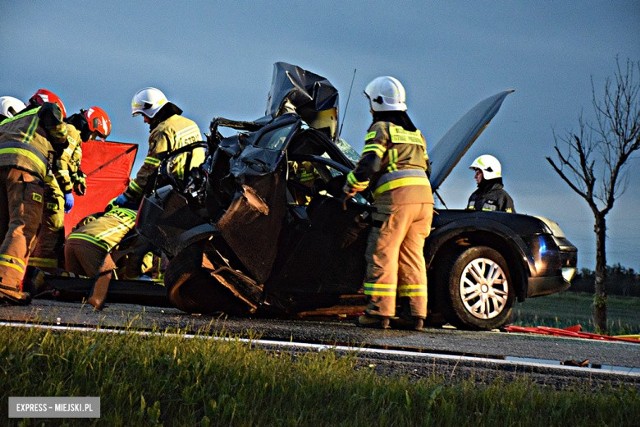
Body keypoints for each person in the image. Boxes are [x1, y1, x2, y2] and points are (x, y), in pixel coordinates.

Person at [343, 76, 433, 331]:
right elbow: (426, 166)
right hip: (424, 200)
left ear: (377, 102)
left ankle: (378, 312)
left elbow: (369, 164)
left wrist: (350, 188)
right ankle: (415, 314)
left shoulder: (381, 128)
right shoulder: (416, 134)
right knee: (412, 256)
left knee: (383, 252)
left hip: (397, 200)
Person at [0, 93, 68, 305]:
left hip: (2, 169)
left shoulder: (11, 121)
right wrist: (61, 140)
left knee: (4, 228)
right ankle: (6, 285)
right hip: (24, 169)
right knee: (23, 225)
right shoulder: (43, 111)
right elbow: (51, 112)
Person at [28, 103, 112, 271]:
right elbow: (61, 162)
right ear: (92, 125)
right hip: (53, 187)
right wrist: (67, 190)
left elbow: (70, 165)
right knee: (51, 233)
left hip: (46, 184)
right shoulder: (72, 132)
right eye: (95, 135)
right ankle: (42, 276)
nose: (92, 139)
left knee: (41, 233)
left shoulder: (72, 133)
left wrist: (78, 178)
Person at [113, 87, 205, 207]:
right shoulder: (190, 124)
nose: (145, 120)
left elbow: (149, 168)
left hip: (175, 193)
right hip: (198, 187)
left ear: (151, 109)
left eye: (143, 115)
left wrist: (128, 195)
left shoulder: (162, 131)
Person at [64, 200, 138, 310]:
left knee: (74, 284)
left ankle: (43, 281)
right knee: (106, 274)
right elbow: (133, 250)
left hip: (72, 240)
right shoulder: (140, 218)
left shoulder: (111, 213)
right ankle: (97, 301)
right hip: (94, 243)